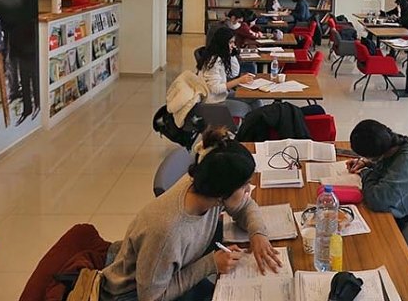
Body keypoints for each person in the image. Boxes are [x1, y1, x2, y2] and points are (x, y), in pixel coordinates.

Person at [100, 127, 282, 301]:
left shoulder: (207, 182)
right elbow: (152, 297)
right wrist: (210, 264)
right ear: (221, 194)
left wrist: (257, 233)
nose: (248, 190)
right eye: (243, 186)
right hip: (131, 294)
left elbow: (244, 205)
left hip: (174, 269)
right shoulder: (167, 232)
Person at [345, 120, 408, 219]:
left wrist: (365, 173)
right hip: (405, 198)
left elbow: (376, 201)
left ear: (377, 156)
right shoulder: (395, 143)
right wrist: (366, 163)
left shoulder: (405, 162)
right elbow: (387, 164)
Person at [197, 27, 260, 117]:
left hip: (221, 95)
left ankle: (257, 124)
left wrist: (232, 54)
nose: (233, 45)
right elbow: (215, 89)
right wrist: (239, 80)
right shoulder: (214, 61)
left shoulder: (220, 56)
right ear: (222, 43)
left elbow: (234, 73)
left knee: (255, 99)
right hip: (213, 102)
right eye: (231, 42)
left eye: (233, 42)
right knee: (246, 108)